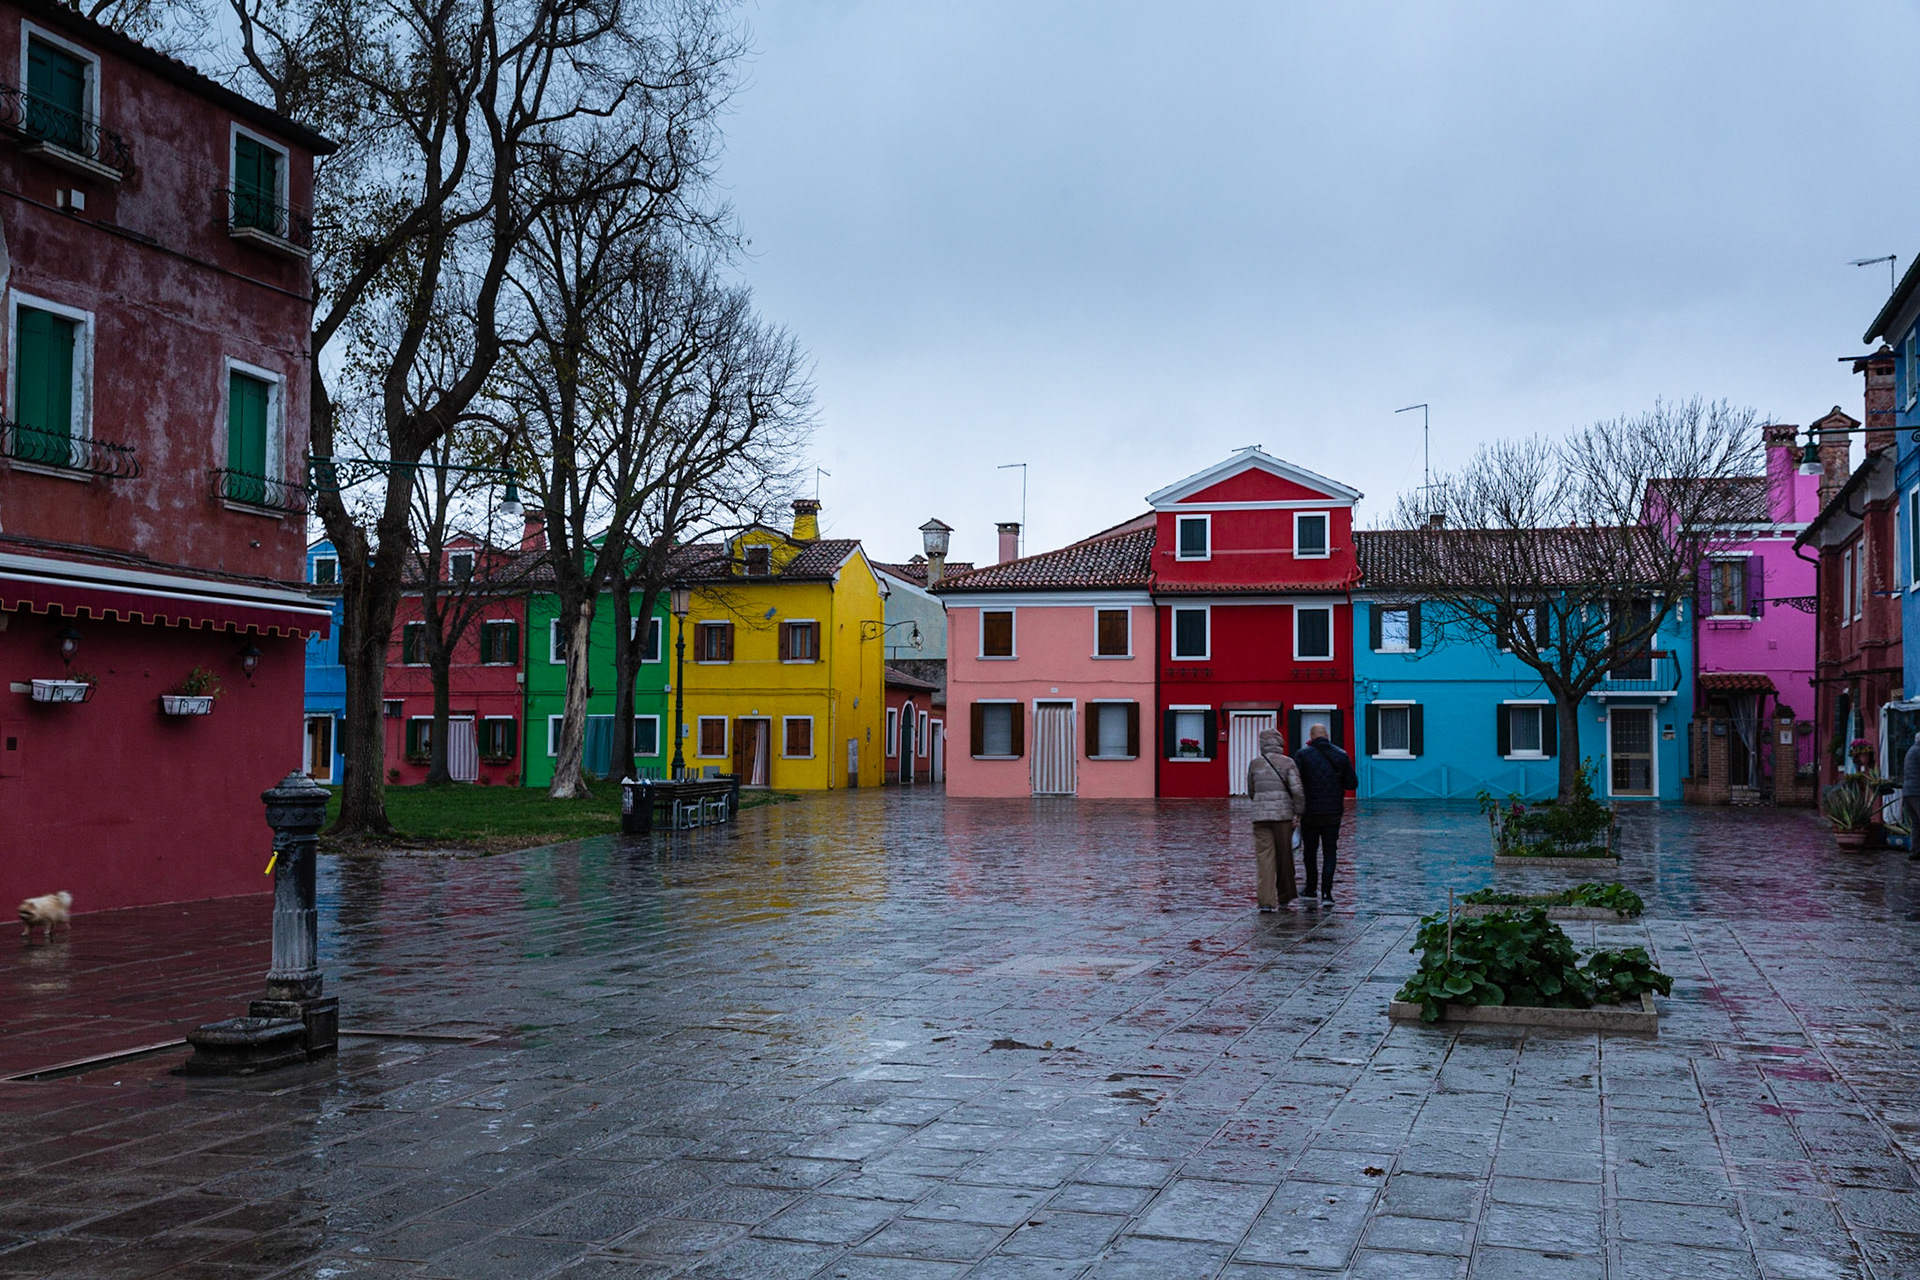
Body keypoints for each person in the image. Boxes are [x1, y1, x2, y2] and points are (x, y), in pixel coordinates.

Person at [1293, 723, 1358, 905]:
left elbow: (1296, 784)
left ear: (1311, 737)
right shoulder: (1341, 755)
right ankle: (1327, 894)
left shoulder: (1302, 755)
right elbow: (1352, 784)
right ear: (1327, 735)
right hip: (1332, 812)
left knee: (1310, 852)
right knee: (1330, 852)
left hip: (1310, 812)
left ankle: (1311, 888)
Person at [1246, 727, 1305, 912]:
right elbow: (1297, 791)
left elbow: (1251, 791)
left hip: (1260, 817)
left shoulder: (1255, 764)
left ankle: (1266, 901)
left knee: (1264, 859)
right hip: (1282, 817)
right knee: (1284, 857)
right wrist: (1298, 813)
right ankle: (1285, 897)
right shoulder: (1288, 763)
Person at [1904, 736, 1920, 862]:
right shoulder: (1918, 751)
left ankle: (1915, 851)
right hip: (1917, 792)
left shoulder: (1911, 750)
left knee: (1916, 824)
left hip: (1908, 791)